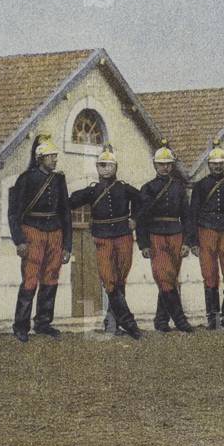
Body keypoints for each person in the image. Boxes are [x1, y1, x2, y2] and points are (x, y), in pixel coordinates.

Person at [69, 144, 143, 338]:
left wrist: (134, 217)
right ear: (97, 168)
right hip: (102, 237)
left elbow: (143, 200)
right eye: (102, 165)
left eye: (109, 165)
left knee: (120, 279)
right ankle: (129, 323)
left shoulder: (124, 188)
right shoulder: (93, 190)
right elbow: (70, 201)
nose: (105, 169)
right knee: (109, 280)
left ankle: (112, 324)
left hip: (123, 236)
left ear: (115, 167)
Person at [7, 133, 72, 342]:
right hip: (32, 231)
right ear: (40, 158)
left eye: (55, 156)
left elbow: (65, 213)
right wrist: (19, 240)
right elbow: (14, 212)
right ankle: (21, 326)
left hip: (55, 232)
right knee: (30, 277)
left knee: (51, 277)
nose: (55, 159)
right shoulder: (25, 179)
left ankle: (44, 322)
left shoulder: (59, 179)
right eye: (51, 156)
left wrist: (67, 245)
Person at [187, 140, 224, 331]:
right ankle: (213, 318)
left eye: (221, 163)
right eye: (214, 163)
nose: (218, 166)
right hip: (206, 231)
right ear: (209, 164)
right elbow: (192, 214)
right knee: (209, 274)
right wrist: (193, 241)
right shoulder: (200, 186)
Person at [136, 141, 194, 333]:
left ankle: (161, 321)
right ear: (155, 165)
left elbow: (186, 216)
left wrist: (186, 241)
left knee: (170, 278)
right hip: (156, 235)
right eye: (161, 164)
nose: (165, 167)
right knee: (164, 276)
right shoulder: (147, 188)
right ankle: (180, 319)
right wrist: (143, 243)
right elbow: (141, 218)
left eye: (168, 164)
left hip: (176, 234)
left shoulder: (179, 187)